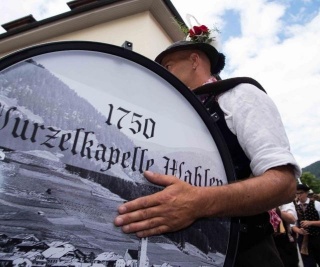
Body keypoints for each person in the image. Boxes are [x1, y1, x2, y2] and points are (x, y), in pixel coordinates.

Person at [114, 24, 301, 266]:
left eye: (168, 67)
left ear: (194, 60)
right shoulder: (174, 114)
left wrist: (198, 202)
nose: (164, 75)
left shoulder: (239, 95)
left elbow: (284, 184)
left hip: (245, 254)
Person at [292, 183, 320, 267]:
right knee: (308, 264)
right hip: (303, 240)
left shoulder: (316, 204)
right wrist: (299, 231)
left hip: (317, 237)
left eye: (301, 193)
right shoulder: (294, 207)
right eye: (297, 193)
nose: (299, 195)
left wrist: (311, 222)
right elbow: (293, 225)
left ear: (306, 193)